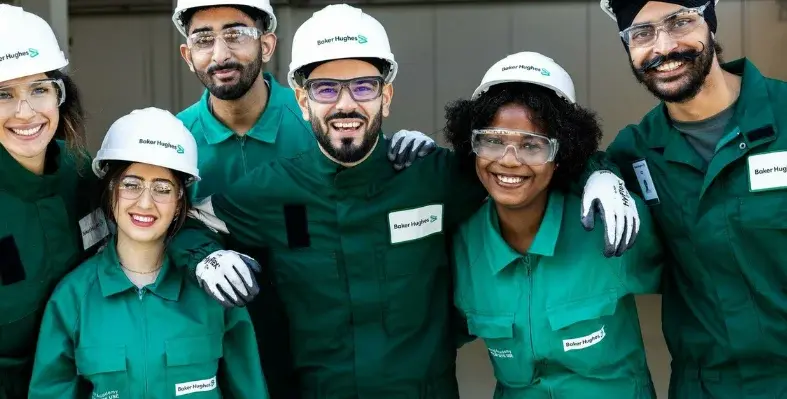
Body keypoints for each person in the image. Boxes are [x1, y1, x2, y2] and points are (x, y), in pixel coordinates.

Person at [169, 4, 644, 397]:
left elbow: (522, 158)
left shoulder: (432, 176)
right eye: (326, 89)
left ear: (387, 95)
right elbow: (188, 221)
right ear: (302, 100)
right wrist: (204, 256)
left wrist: (597, 171)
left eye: (363, 86)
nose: (346, 105)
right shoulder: (269, 189)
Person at [171, 2, 437, 395]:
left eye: (236, 34)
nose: (220, 53)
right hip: (217, 344)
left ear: (266, 45)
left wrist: (408, 169)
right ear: (187, 54)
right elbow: (157, 224)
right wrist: (202, 256)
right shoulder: (175, 142)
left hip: (321, 350)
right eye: (203, 39)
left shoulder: (317, 120)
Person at [446, 51, 664, 398]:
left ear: (562, 156)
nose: (509, 160)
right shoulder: (461, 246)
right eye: (493, 141)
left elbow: (699, 288)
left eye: (532, 145)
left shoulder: (611, 225)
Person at [599, 0, 787, 397]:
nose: (663, 47)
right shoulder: (637, 152)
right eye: (641, 33)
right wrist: (592, 173)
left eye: (681, 21)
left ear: (711, 26)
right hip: (705, 386)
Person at [27, 107, 269, 398]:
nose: (145, 203)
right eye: (131, 185)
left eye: (163, 189)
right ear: (110, 191)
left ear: (180, 201)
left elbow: (249, 390)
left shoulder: (216, 290)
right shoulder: (73, 298)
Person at [0, 5, 107, 398]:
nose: (25, 112)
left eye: (40, 89)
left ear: (61, 95)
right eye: (3, 94)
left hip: (85, 378)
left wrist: (201, 255)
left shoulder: (81, 171)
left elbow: (159, 214)